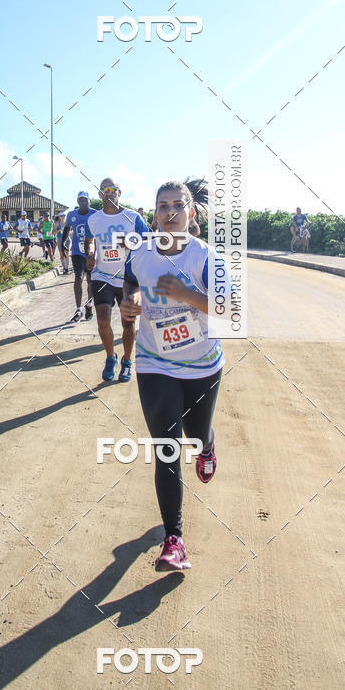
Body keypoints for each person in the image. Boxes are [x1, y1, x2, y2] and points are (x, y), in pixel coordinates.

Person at [120, 178, 223, 572]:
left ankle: (208, 446)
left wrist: (184, 294)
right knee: (167, 446)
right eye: (162, 206)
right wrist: (129, 303)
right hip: (154, 362)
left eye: (176, 206)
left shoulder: (205, 257)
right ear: (155, 213)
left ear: (190, 212)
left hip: (202, 365)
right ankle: (174, 540)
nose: (169, 213)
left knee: (196, 435)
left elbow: (229, 311)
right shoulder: (141, 252)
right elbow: (130, 280)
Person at [84, 178, 148, 382]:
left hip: (128, 278)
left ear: (119, 192)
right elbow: (89, 241)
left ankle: (127, 361)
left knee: (127, 324)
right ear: (100, 195)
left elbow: (147, 244)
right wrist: (91, 253)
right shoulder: (93, 219)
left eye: (112, 189)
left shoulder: (133, 217)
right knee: (102, 320)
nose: (109, 192)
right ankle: (110, 357)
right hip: (102, 275)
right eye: (104, 190)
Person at [62, 191, 97, 322]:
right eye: (80, 200)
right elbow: (66, 229)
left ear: (89, 201)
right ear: (77, 202)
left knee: (90, 281)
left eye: (85, 200)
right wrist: (63, 246)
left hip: (91, 253)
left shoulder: (95, 214)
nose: (83, 202)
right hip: (77, 252)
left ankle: (89, 305)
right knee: (78, 279)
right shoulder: (72, 214)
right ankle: (78, 309)